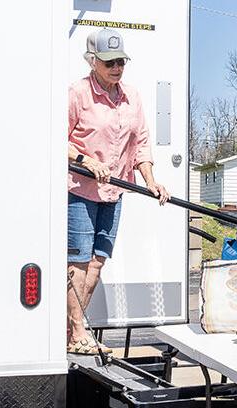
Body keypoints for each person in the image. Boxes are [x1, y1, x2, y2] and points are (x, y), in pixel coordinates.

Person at [67, 28, 171, 355]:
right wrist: (85, 159)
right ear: (93, 61)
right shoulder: (77, 94)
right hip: (80, 190)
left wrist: (151, 181)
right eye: (110, 62)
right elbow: (55, 139)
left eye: (121, 61)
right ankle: (77, 332)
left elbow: (140, 144)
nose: (117, 67)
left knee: (96, 264)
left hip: (113, 193)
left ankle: (72, 331)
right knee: (79, 263)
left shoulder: (132, 97)